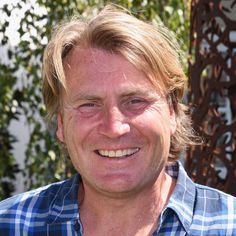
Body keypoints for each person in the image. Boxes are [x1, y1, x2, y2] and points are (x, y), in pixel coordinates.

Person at [0, 4, 236, 236]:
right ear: (61, 123)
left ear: (172, 111)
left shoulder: (228, 225)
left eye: (135, 101)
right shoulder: (10, 224)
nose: (114, 128)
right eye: (89, 105)